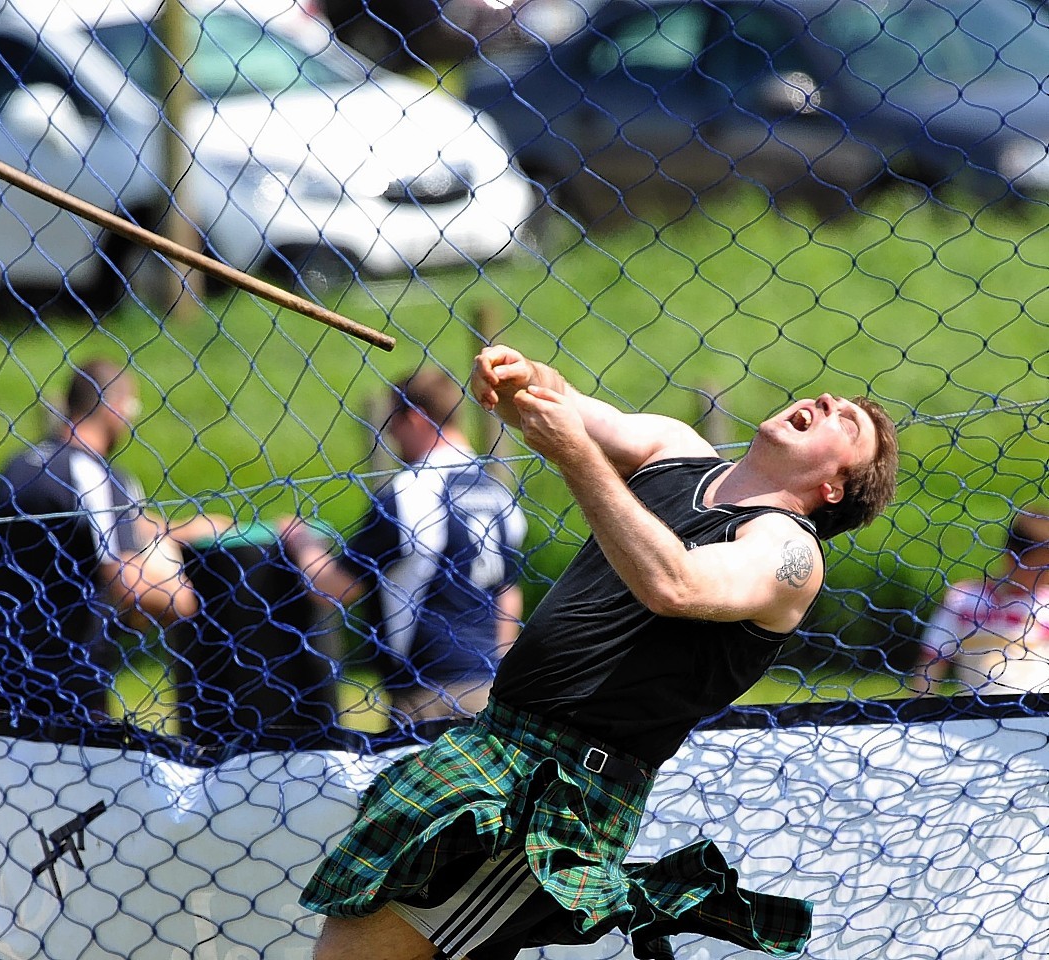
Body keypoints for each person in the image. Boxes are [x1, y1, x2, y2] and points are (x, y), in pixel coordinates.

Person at [301, 344, 899, 960]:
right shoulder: (676, 449)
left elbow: (676, 584)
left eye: (845, 422)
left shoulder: (787, 553)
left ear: (833, 488)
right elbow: (558, 404)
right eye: (829, 400)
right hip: (490, 741)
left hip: (553, 786)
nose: (825, 402)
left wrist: (575, 455)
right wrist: (518, 377)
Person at [284, 368, 527, 725]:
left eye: (393, 424)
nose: (392, 437)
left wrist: (298, 539)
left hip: (425, 693)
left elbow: (332, 588)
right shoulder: (500, 494)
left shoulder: (408, 494)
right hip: (489, 688)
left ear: (414, 418)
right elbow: (508, 594)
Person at [0, 358, 199, 725]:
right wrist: (192, 600)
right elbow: (127, 580)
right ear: (117, 409)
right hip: (69, 689)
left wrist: (181, 529)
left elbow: (91, 532)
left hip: (1, 680)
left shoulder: (19, 466)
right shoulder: (93, 473)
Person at [913, 505, 1049, 696]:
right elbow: (932, 662)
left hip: (1036, 716)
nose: (1046, 576)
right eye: (1039, 568)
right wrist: (920, 711)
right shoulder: (965, 599)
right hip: (976, 715)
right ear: (1012, 558)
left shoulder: (1045, 606)